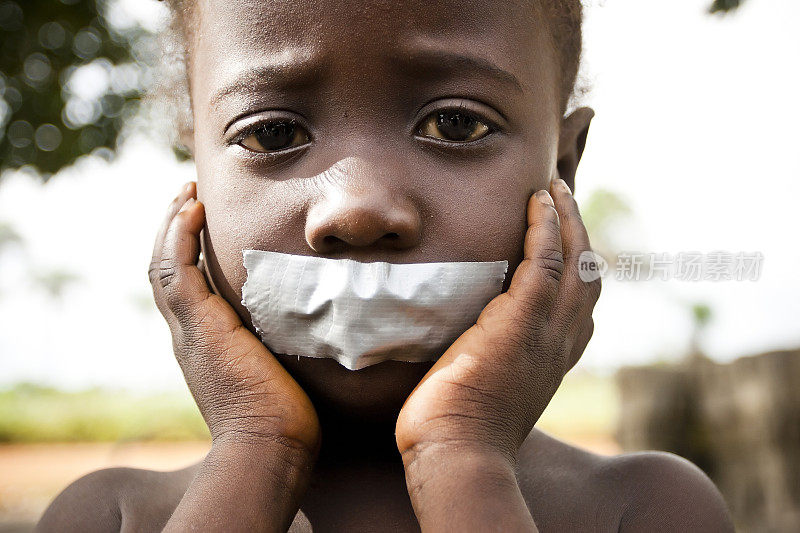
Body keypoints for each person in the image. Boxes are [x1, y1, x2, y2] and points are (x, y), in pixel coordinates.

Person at [37, 0, 734, 531]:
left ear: (563, 169)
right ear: (196, 180)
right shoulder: (110, 515)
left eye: (457, 124)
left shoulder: (646, 508)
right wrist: (257, 451)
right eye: (273, 132)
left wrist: (462, 457)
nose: (357, 209)